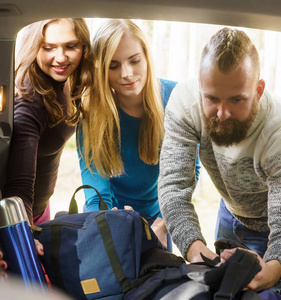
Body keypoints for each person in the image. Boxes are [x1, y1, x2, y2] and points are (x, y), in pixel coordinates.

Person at [158, 27, 281, 291]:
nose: (222, 113)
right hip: (228, 212)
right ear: (200, 84)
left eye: (237, 99)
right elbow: (173, 187)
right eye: (212, 98)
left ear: (259, 90)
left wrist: (272, 270)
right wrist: (197, 253)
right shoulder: (185, 104)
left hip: (272, 227)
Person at [76, 19, 197, 251]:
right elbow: (96, 195)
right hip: (112, 216)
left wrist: (162, 224)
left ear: (146, 57)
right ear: (101, 70)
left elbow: (188, 173)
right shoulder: (90, 118)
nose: (127, 74)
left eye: (134, 61)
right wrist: (109, 222)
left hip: (162, 216)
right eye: (113, 66)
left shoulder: (177, 98)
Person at [1, 17, 93, 279]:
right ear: (34, 47)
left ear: (83, 47)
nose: (60, 57)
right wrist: (23, 233)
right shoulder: (30, 99)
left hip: (41, 208)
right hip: (23, 214)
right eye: (49, 47)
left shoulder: (66, 80)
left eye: (70, 46)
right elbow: (19, 184)